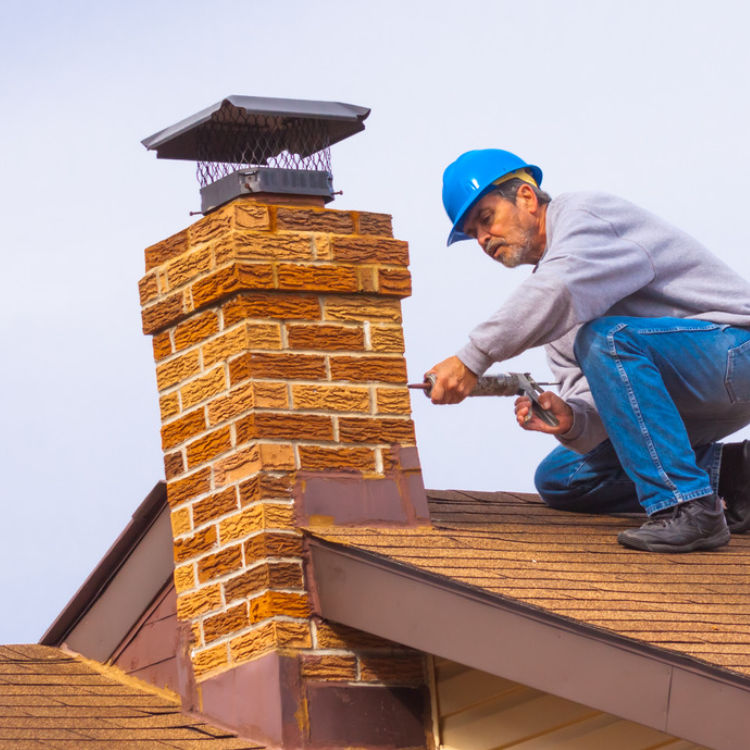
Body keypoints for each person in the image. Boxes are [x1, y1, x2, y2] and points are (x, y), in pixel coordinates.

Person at [427, 148, 750, 552]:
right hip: (691, 399)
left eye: (486, 219)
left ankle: (689, 509)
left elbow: (559, 288)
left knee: (607, 339)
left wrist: (471, 359)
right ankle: (737, 477)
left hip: (736, 353)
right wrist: (573, 420)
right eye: (473, 234)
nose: (483, 239)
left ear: (527, 197)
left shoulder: (584, 216)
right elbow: (607, 404)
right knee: (564, 476)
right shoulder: (556, 306)